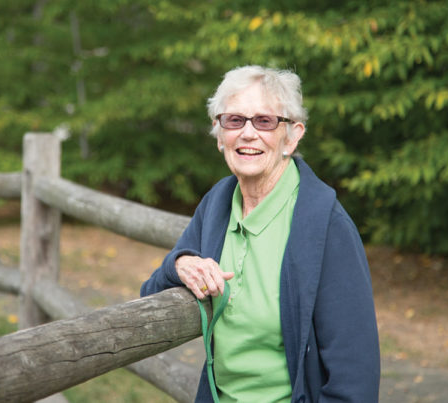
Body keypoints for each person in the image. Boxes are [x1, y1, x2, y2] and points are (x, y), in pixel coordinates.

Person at [140, 65, 380, 403]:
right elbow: (149, 295)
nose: (248, 133)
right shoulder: (217, 205)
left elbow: (355, 380)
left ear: (293, 135)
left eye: (264, 121)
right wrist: (178, 266)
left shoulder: (326, 226)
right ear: (219, 133)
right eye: (235, 120)